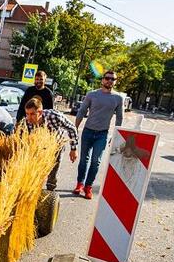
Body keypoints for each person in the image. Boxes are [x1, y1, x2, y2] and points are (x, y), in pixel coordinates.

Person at [73, 70, 124, 199]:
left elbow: (119, 118)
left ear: (115, 82)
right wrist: (75, 129)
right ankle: (80, 184)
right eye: (107, 78)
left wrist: (116, 136)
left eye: (112, 79)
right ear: (102, 80)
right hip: (88, 131)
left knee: (96, 162)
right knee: (84, 160)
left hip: (102, 134)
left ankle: (88, 187)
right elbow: (82, 111)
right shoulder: (92, 95)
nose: (109, 81)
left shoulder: (118, 98)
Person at [21, 96, 78, 190]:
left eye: (32, 114)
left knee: (53, 170)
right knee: (35, 172)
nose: (29, 117)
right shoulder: (27, 122)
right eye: (27, 114)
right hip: (38, 147)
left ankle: (50, 191)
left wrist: (73, 149)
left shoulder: (54, 116)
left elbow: (71, 128)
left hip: (56, 145)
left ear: (40, 112)